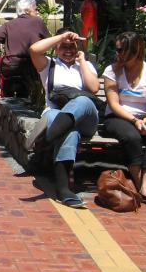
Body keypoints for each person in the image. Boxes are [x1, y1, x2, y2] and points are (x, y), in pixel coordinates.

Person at [27, 31, 100, 209]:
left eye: (71, 46)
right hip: (56, 113)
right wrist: (61, 37)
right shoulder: (49, 65)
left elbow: (94, 88)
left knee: (82, 100)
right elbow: (34, 50)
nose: (68, 50)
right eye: (63, 46)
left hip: (86, 117)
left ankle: (49, 136)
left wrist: (82, 61)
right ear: (56, 48)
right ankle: (64, 190)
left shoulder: (86, 65)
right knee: (69, 132)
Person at [102, 31, 146, 207]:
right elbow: (114, 104)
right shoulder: (111, 71)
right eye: (116, 49)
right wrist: (134, 120)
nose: (118, 53)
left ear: (135, 51)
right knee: (131, 136)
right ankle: (142, 188)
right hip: (118, 116)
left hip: (142, 117)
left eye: (121, 50)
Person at [0, 0, 50, 99]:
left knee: (8, 93)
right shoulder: (38, 22)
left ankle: (7, 103)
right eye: (35, 9)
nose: (37, 12)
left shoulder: (9, 24)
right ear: (27, 11)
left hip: (10, 66)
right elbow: (48, 40)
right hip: (30, 66)